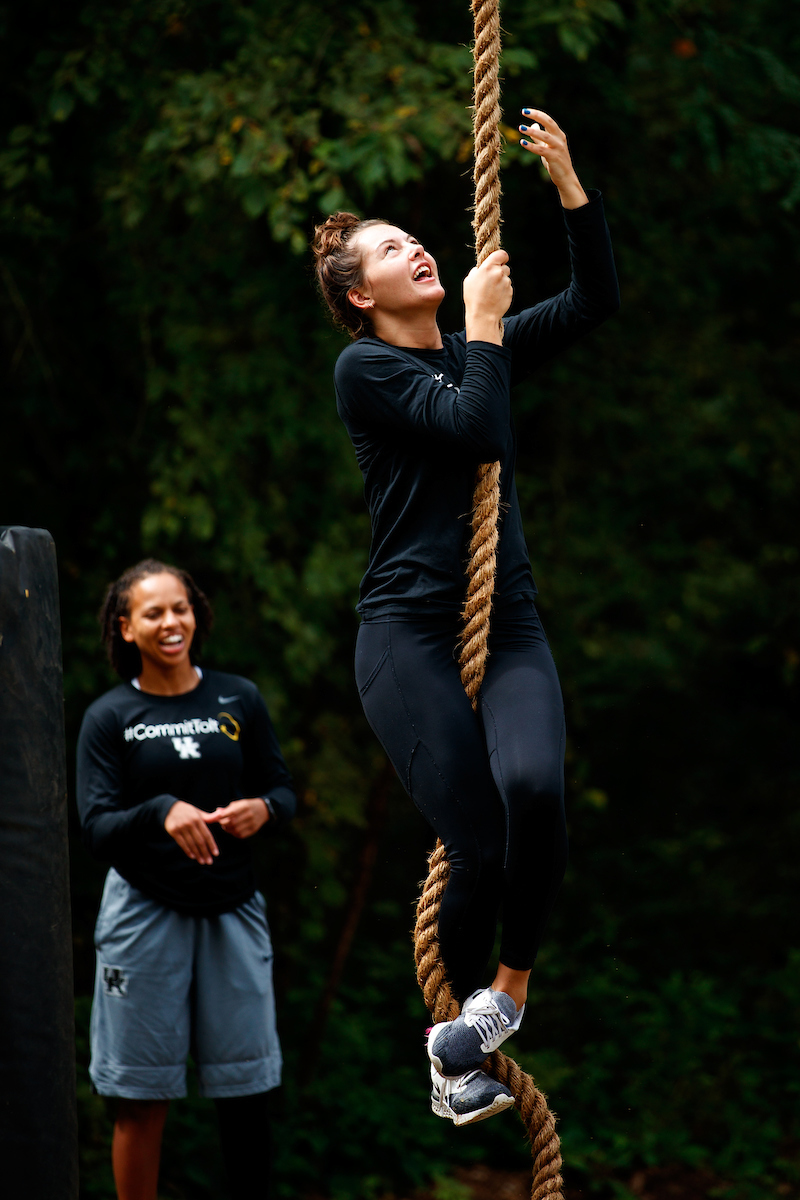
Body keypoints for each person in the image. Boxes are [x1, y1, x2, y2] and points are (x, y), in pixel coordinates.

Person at [312, 109, 619, 1126]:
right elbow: (474, 427)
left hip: (508, 621)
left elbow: (593, 302)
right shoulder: (368, 370)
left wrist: (569, 185)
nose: (418, 248)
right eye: (392, 249)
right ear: (360, 295)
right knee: (478, 842)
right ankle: (447, 1065)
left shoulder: (468, 344)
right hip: (406, 637)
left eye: (415, 236)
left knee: (535, 789)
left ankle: (501, 1004)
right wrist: (484, 325)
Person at [76, 559, 296, 1200]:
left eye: (181, 608)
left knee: (247, 1092)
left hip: (232, 909)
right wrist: (160, 810)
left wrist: (266, 809)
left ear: (195, 615)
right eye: (153, 613)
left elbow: (280, 788)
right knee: (140, 1099)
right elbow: (95, 829)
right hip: (143, 915)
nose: (171, 623)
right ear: (125, 628)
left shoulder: (238, 698)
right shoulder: (109, 717)